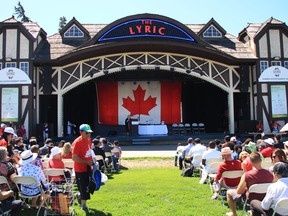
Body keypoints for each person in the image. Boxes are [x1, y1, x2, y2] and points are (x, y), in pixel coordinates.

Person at [72, 124, 93, 213]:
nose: (88, 135)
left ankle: (79, 195)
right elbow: (74, 157)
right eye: (86, 133)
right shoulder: (77, 142)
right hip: (80, 169)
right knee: (83, 187)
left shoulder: (89, 140)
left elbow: (90, 151)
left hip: (88, 167)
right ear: (81, 132)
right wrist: (86, 162)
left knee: (90, 186)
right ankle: (83, 205)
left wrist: (92, 160)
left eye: (89, 133)